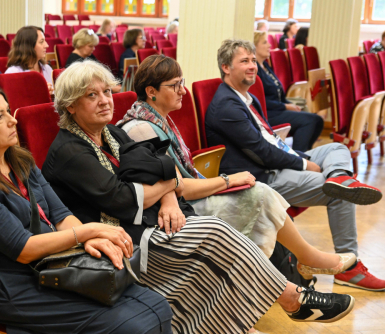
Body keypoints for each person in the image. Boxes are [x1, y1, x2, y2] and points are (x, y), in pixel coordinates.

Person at [42, 59, 356, 333]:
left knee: (220, 237)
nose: (104, 101)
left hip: (144, 222)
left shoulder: (112, 134)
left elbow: (159, 162)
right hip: (115, 242)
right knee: (215, 233)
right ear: (70, 105)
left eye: (107, 92)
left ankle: (255, 316)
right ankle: (291, 298)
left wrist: (165, 195)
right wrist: (168, 188)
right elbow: (122, 199)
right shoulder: (71, 149)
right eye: (91, 95)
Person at [0, 83, 173, 334]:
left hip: (58, 263)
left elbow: (61, 216)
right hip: (12, 285)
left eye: (9, 111)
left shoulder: (20, 160)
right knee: (131, 325)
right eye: (1, 117)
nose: (12, 121)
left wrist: (89, 240)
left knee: (157, 305)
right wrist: (88, 233)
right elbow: (23, 249)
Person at [118, 53, 354, 275]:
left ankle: (288, 267)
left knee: (259, 193)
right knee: (260, 194)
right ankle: (303, 260)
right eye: (175, 85)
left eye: (183, 82)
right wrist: (228, 180)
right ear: (151, 92)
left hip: (186, 199)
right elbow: (178, 187)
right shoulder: (142, 129)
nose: (183, 91)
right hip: (178, 212)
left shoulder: (157, 118)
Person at [206, 38, 385, 292]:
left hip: (277, 165)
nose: (252, 66)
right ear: (225, 67)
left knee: (337, 148)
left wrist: (302, 157)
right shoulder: (226, 105)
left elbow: (272, 142)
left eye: (254, 61)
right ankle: (348, 269)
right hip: (263, 178)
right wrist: (303, 163)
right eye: (244, 61)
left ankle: (339, 177)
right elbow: (263, 153)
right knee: (341, 195)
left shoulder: (246, 99)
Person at [254, 31, 323, 152]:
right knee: (309, 121)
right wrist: (286, 106)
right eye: (265, 42)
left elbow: (279, 93)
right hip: (268, 114)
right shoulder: (255, 70)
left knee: (318, 120)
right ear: (254, 47)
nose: (269, 45)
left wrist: (289, 104)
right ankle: (297, 157)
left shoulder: (265, 66)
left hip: (278, 110)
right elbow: (261, 101)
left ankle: (306, 153)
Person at [5, 26, 53, 95]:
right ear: (29, 46)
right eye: (41, 42)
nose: (47, 45)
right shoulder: (13, 73)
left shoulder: (47, 68)